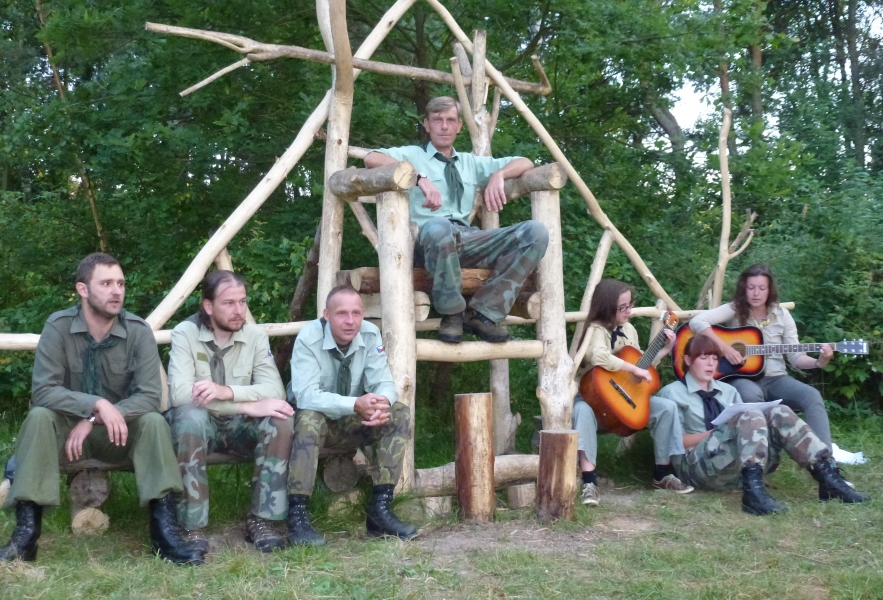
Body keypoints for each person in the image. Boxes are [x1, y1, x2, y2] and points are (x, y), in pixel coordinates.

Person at [0, 253, 204, 566]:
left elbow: (149, 395)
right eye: (106, 284)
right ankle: (25, 536)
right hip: (67, 436)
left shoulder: (137, 331)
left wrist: (93, 417)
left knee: (153, 422)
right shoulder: (59, 327)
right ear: (83, 289)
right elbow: (43, 391)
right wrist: (96, 403)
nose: (117, 291)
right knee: (38, 417)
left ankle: (165, 534)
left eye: (121, 283)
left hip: (119, 435)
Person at [364, 96, 548, 344]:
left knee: (536, 232)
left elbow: (525, 162)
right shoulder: (413, 155)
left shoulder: (470, 162)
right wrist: (418, 177)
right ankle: (452, 314)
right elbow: (371, 158)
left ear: (459, 125)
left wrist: (499, 175)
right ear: (427, 124)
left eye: (450, 120)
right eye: (437, 120)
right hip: (427, 245)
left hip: (467, 240)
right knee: (438, 226)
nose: (444, 126)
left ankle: (484, 314)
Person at [655, 335, 866, 514]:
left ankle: (827, 478)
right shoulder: (672, 393)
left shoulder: (728, 390)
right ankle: (753, 496)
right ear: (688, 359)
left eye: (714, 358)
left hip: (734, 464)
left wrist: (739, 426)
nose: (711, 364)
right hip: (697, 467)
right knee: (749, 416)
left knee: (780, 411)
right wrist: (718, 432)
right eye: (704, 358)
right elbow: (675, 444)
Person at [165, 270, 294, 553]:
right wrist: (246, 404)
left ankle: (262, 519)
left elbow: (275, 389)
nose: (239, 310)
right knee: (189, 416)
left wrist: (228, 392)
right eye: (229, 303)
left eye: (242, 302)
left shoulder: (255, 336)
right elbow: (180, 395)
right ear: (208, 306)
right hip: (202, 425)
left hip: (239, 427)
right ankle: (191, 524)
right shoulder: (186, 333)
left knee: (280, 418)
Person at [285, 285, 416, 546]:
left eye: (356, 313)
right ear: (326, 315)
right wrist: (355, 403)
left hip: (348, 418)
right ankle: (298, 517)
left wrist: (381, 403)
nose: (350, 321)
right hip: (309, 422)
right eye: (342, 313)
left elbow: (384, 382)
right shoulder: (309, 337)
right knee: (310, 417)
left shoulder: (369, 334)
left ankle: (380, 511)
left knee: (398, 412)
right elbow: (306, 396)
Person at [572, 279, 692, 507]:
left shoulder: (629, 330)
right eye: (622, 307)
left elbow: (640, 366)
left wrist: (665, 350)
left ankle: (663, 473)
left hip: (623, 400)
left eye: (630, 305)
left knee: (667, 408)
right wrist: (634, 368)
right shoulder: (595, 330)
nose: (629, 311)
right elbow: (598, 357)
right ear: (607, 306)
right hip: (594, 400)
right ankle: (589, 481)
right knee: (581, 410)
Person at [688, 264, 834, 447]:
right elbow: (697, 321)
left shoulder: (782, 315)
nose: (756, 293)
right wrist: (725, 348)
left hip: (776, 378)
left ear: (769, 290)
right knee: (750, 395)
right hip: (742, 377)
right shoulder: (734, 309)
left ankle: (824, 456)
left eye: (762, 288)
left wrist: (819, 362)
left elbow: (796, 357)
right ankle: (761, 452)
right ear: (744, 288)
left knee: (811, 395)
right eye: (751, 288)